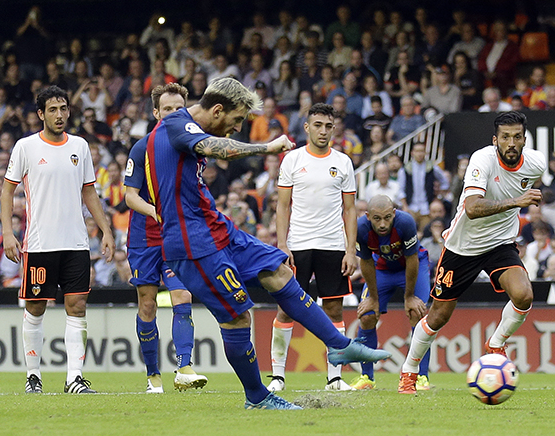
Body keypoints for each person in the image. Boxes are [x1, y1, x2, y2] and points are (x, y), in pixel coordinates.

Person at [143, 77, 390, 410]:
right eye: (236, 120)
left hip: (216, 227)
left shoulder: (184, 126)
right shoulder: (176, 124)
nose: (236, 128)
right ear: (218, 110)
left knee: (279, 271)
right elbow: (216, 149)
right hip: (193, 243)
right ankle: (257, 397)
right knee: (237, 318)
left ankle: (338, 345)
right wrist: (266, 147)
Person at [397, 111, 546, 393]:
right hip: (463, 246)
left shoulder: (537, 164)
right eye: (505, 137)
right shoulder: (482, 159)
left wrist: (519, 201)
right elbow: (473, 208)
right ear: (495, 140)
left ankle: (496, 343)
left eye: (516, 137)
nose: (511, 142)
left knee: (524, 295)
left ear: (525, 140)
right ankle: (410, 370)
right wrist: (517, 201)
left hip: (500, 242)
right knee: (439, 315)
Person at [0, 85, 115, 394]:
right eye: (52, 109)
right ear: (40, 114)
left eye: (63, 108)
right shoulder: (26, 147)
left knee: (77, 306)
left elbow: (89, 191)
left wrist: (105, 230)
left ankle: (74, 378)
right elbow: (7, 191)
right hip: (39, 243)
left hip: (76, 243)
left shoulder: (80, 145)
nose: (60, 114)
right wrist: (8, 233)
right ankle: (33, 376)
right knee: (36, 308)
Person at [124, 83, 208, 393]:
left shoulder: (191, 148)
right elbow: (129, 195)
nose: (173, 114)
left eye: (178, 109)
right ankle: (153, 376)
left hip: (176, 235)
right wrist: (154, 210)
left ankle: (184, 367)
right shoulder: (142, 147)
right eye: (167, 109)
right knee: (147, 305)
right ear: (156, 113)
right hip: (144, 238)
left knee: (182, 296)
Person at [268, 103, 358, 392]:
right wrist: (282, 244)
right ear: (306, 127)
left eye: (328, 126)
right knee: (286, 309)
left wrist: (351, 250)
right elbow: (282, 207)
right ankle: (278, 377)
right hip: (298, 244)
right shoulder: (292, 160)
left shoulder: (343, 162)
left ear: (334, 129)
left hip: (333, 245)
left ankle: (334, 377)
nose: (323, 131)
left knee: (334, 309)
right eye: (317, 125)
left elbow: (350, 210)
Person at [352, 195, 431, 390]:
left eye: (387, 217)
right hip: (382, 269)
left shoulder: (405, 222)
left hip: (412, 267)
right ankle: (367, 378)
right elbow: (366, 262)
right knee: (367, 316)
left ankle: (421, 376)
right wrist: (373, 298)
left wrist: (409, 296)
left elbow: (412, 259)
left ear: (394, 213)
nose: (382, 224)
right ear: (368, 216)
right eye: (377, 218)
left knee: (417, 314)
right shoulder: (360, 228)